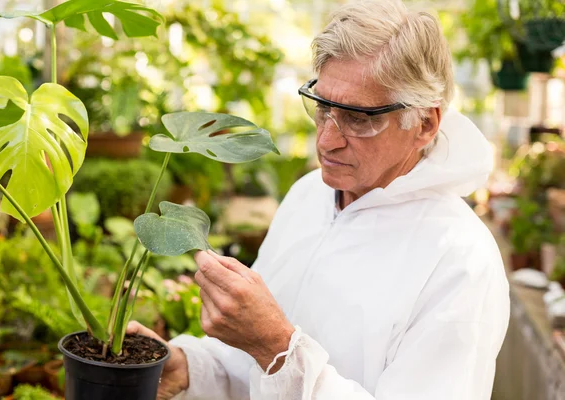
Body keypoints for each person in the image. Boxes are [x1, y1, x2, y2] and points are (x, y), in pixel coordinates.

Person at [127, 0, 510, 398]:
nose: (327, 140)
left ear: (424, 124)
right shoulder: (310, 194)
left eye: (358, 118)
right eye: (323, 107)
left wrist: (277, 347)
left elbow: (271, 353)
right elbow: (249, 370)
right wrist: (190, 369)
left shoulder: (459, 259)